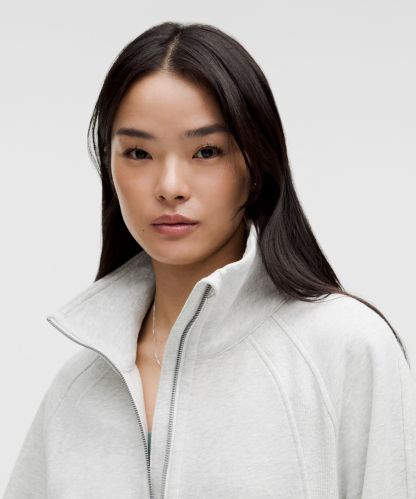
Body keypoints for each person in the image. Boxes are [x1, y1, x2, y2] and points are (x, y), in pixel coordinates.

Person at [4, 21, 416, 499]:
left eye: (206, 151)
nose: (170, 186)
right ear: (109, 166)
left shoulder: (346, 350)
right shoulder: (77, 388)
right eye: (138, 152)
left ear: (256, 166)